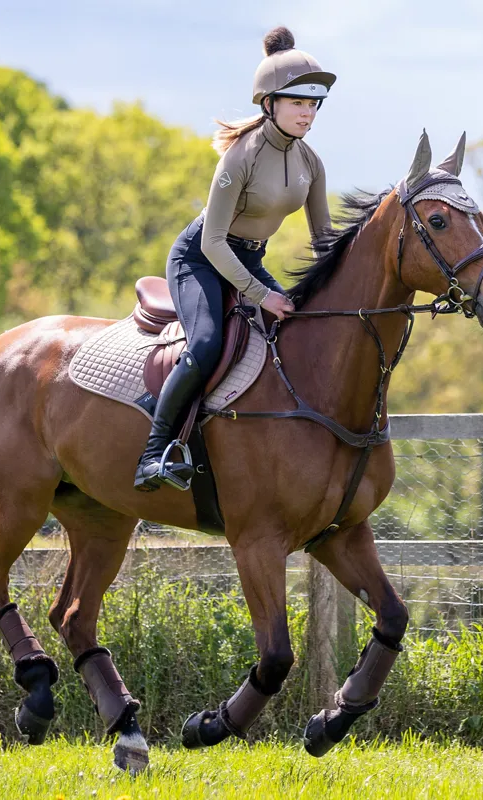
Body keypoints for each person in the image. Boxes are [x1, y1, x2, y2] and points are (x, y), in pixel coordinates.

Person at [134, 26, 336, 492]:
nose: (307, 114)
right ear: (270, 104)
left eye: (312, 105)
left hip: (248, 259)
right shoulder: (239, 158)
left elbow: (324, 241)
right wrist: (263, 294)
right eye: (297, 103)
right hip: (200, 259)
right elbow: (212, 243)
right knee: (205, 344)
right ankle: (152, 453)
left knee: (298, 332)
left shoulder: (312, 162)